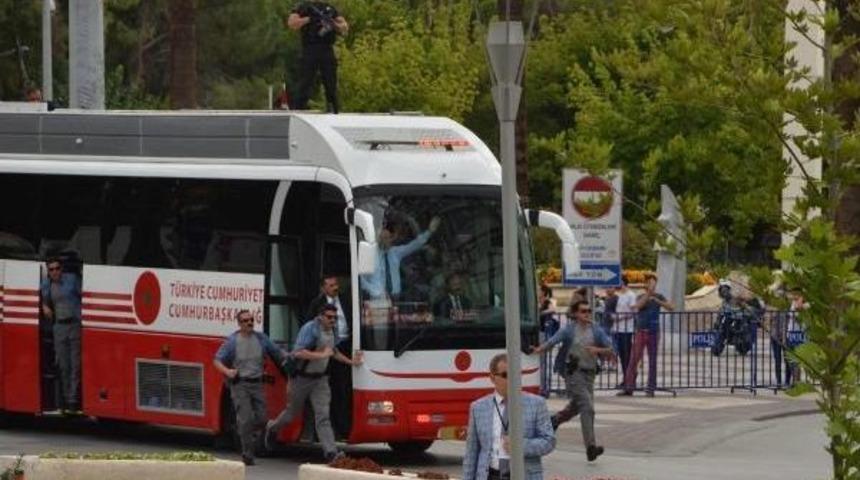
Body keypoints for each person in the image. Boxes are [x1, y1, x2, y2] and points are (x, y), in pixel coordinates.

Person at [265, 304, 363, 462]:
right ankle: (272, 428)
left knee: (323, 416)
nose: (333, 320)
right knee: (291, 413)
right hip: (301, 378)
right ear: (320, 317)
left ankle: (331, 453)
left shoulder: (333, 330)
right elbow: (298, 352)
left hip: (320, 379)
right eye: (329, 317)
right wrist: (321, 355)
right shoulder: (310, 329)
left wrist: (351, 362)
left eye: (335, 317)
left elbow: (333, 351)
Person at [531, 300, 614, 462]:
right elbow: (552, 341)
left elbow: (610, 348)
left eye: (589, 311)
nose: (587, 314)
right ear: (576, 313)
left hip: (589, 374)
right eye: (583, 311)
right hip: (573, 372)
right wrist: (538, 350)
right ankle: (591, 447)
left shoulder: (596, 330)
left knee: (577, 406)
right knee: (587, 407)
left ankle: (554, 420)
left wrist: (598, 350)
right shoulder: (569, 330)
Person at [462, 353, 555, 480]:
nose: (512, 379)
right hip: (489, 475)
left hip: (523, 475)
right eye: (506, 375)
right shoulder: (478, 408)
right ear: (492, 378)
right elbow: (471, 452)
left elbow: (549, 441)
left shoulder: (537, 404)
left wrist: (520, 445)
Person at [213, 310, 288, 466]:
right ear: (239, 324)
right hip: (240, 384)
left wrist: (292, 355)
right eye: (246, 321)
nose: (250, 323)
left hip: (257, 384)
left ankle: (243, 429)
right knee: (246, 419)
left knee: (261, 418)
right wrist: (228, 371)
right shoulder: (233, 341)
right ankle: (247, 453)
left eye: (251, 320)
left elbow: (278, 352)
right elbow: (217, 360)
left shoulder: (261, 339)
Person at [305, 274, 353, 434]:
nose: (335, 287)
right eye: (331, 285)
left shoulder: (347, 301)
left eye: (336, 284)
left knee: (344, 387)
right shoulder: (317, 304)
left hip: (345, 345)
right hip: (325, 349)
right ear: (323, 288)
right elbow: (310, 326)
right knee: (330, 389)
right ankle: (332, 426)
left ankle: (343, 425)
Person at [618, 273, 675, 397]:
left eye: (654, 283)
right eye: (650, 283)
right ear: (646, 284)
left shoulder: (659, 296)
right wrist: (648, 294)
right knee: (634, 359)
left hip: (654, 331)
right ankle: (629, 387)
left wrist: (658, 300)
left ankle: (650, 388)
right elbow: (637, 307)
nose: (652, 286)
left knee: (652, 360)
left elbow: (671, 307)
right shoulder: (640, 296)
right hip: (640, 331)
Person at [287, 1, 349, 113]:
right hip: (310, 49)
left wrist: (333, 24)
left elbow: (344, 27)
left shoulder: (329, 8)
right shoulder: (304, 7)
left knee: (331, 83)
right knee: (305, 82)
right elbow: (292, 23)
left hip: (327, 49)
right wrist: (309, 19)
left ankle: (333, 110)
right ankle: (298, 110)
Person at [361, 216, 441, 300]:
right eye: (384, 238)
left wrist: (429, 232)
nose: (387, 241)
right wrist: (374, 291)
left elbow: (414, 245)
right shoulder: (370, 255)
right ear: (378, 239)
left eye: (389, 238)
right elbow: (361, 279)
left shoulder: (395, 252)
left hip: (396, 298)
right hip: (377, 298)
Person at [40, 257, 82, 413]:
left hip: (74, 324)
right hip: (59, 327)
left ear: (61, 268)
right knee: (64, 365)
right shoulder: (47, 284)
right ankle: (65, 398)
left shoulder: (72, 280)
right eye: (51, 269)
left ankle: (73, 400)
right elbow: (41, 297)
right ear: (48, 272)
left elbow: (84, 295)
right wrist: (44, 306)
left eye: (57, 268)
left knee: (75, 364)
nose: (55, 272)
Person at [613, 276, 638, 377]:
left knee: (627, 355)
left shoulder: (631, 295)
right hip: (617, 329)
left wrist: (621, 318)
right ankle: (626, 378)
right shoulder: (619, 295)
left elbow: (634, 312)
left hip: (627, 330)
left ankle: (630, 378)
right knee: (622, 356)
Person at [537, 284, 558, 397]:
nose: (537, 291)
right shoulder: (537, 302)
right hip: (539, 333)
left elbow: (553, 309)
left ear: (544, 292)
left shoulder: (547, 302)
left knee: (544, 362)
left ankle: (545, 387)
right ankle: (542, 386)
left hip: (545, 333)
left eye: (539, 290)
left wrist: (541, 313)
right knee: (541, 362)